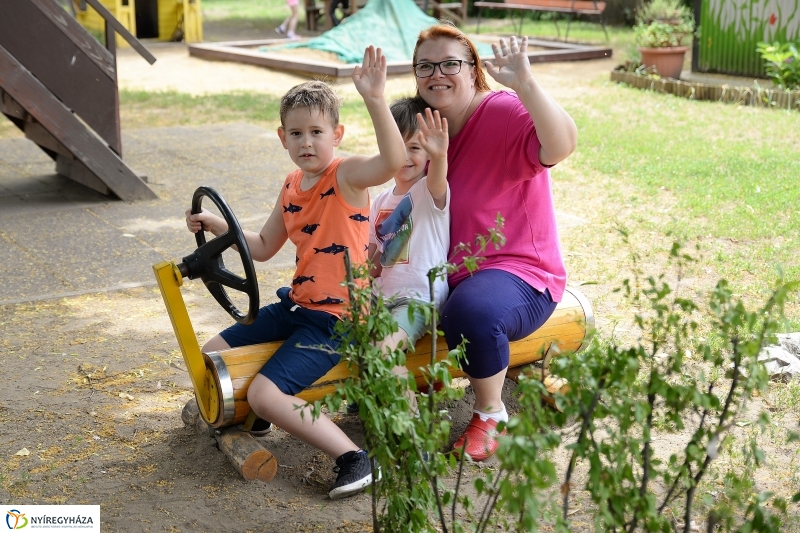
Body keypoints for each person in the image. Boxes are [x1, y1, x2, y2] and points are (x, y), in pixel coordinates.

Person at [185, 46, 406, 499]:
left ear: (337, 134)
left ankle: (353, 458)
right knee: (211, 355)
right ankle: (259, 414)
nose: (307, 143)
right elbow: (264, 247)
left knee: (266, 392)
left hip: (338, 318)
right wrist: (219, 227)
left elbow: (392, 162)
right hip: (298, 305)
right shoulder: (290, 185)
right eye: (297, 133)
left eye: (317, 132)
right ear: (281, 137)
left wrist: (376, 99)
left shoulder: (346, 177)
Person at [411, 24, 578, 461]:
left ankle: (490, 413)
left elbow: (561, 145)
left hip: (518, 272)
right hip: (446, 271)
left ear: (473, 69)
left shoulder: (501, 110)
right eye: (425, 66)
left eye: (450, 63)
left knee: (470, 312)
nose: (437, 74)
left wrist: (524, 82)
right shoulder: (425, 125)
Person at [367, 97, 450, 412]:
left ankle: (413, 433)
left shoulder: (429, 191)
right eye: (397, 146)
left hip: (417, 300)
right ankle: (371, 391)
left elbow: (438, 173)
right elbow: (373, 261)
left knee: (384, 351)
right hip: (381, 300)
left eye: (414, 148)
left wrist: (439, 154)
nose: (404, 156)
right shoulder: (379, 201)